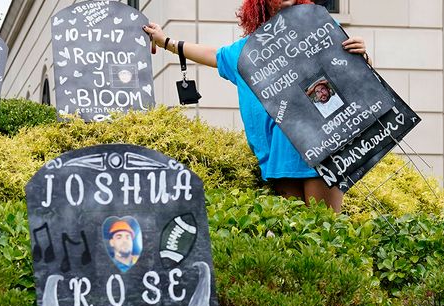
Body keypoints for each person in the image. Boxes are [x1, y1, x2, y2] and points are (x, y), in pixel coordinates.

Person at [144, 0, 369, 212]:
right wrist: (165, 42)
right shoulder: (246, 53)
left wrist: (362, 57)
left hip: (323, 147)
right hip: (280, 157)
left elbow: (350, 76)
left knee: (326, 232)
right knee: (298, 239)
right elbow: (214, 54)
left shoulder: (320, 28)